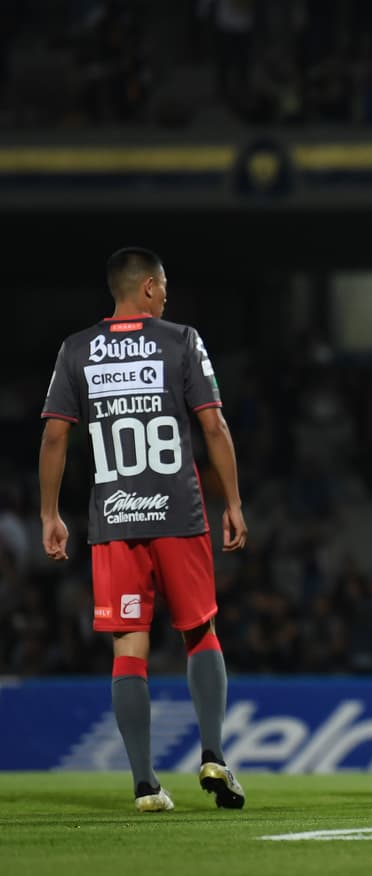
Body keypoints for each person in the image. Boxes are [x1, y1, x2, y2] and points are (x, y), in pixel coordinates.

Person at [38, 247, 248, 812]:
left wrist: (49, 513)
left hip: (114, 518)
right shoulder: (181, 339)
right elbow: (214, 424)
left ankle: (144, 784)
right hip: (178, 513)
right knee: (199, 630)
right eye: (165, 287)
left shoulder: (76, 349)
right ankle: (213, 754)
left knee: (128, 646)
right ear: (151, 288)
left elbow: (56, 436)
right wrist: (232, 500)